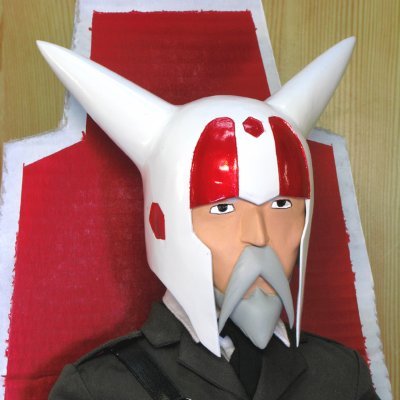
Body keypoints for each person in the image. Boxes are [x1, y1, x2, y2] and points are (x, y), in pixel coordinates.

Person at [38, 37, 379, 399]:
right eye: (224, 209)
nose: (260, 236)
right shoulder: (100, 389)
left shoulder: (342, 377)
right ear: (163, 223)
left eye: (281, 205)